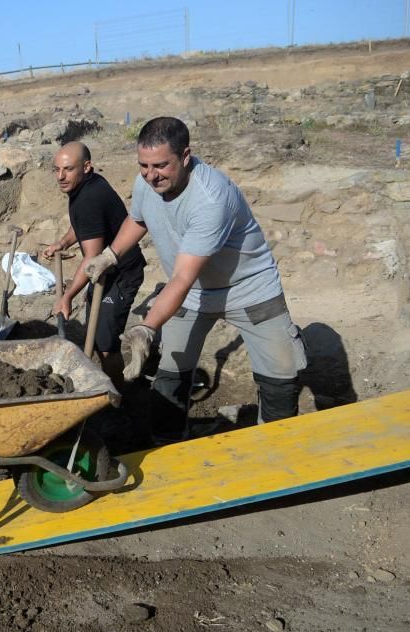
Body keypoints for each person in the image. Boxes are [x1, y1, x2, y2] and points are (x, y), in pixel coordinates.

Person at [83, 117, 306, 442]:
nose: (150, 174)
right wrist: (111, 255)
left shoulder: (210, 199)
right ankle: (168, 446)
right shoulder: (146, 182)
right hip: (191, 295)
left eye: (160, 165)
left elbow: (183, 277)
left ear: (185, 156)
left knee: (280, 379)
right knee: (170, 377)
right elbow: (138, 218)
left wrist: (148, 326)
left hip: (249, 291)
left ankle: (274, 450)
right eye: (143, 165)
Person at [43, 141, 145, 388]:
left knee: (106, 345)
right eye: (56, 169)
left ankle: (117, 393)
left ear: (86, 167)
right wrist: (64, 242)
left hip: (120, 275)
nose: (60, 176)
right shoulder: (87, 186)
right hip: (104, 274)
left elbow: (91, 256)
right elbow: (85, 225)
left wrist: (66, 297)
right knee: (96, 332)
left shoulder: (89, 197)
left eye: (67, 169)